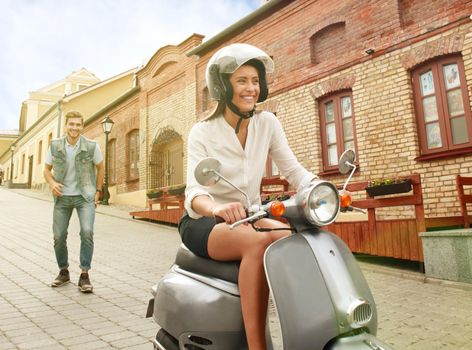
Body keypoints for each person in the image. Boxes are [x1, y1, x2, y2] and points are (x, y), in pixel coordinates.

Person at [179, 43, 316, 350]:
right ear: (222, 86)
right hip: (204, 222)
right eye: (242, 81)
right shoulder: (202, 131)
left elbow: (293, 170)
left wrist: (320, 188)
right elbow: (194, 193)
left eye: (255, 81)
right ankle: (258, 347)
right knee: (258, 244)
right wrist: (217, 208)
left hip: (251, 216)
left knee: (291, 239)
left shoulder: (267, 123)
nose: (251, 88)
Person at [44, 111, 104, 293]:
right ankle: (63, 271)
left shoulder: (91, 146)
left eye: (78, 124)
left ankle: (84, 274)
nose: (74, 128)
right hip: (62, 197)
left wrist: (98, 191)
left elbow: (100, 167)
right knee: (59, 236)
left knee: (87, 232)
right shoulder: (55, 146)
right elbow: (46, 169)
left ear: (82, 126)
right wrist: (52, 183)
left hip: (84, 196)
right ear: (66, 126)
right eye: (71, 124)